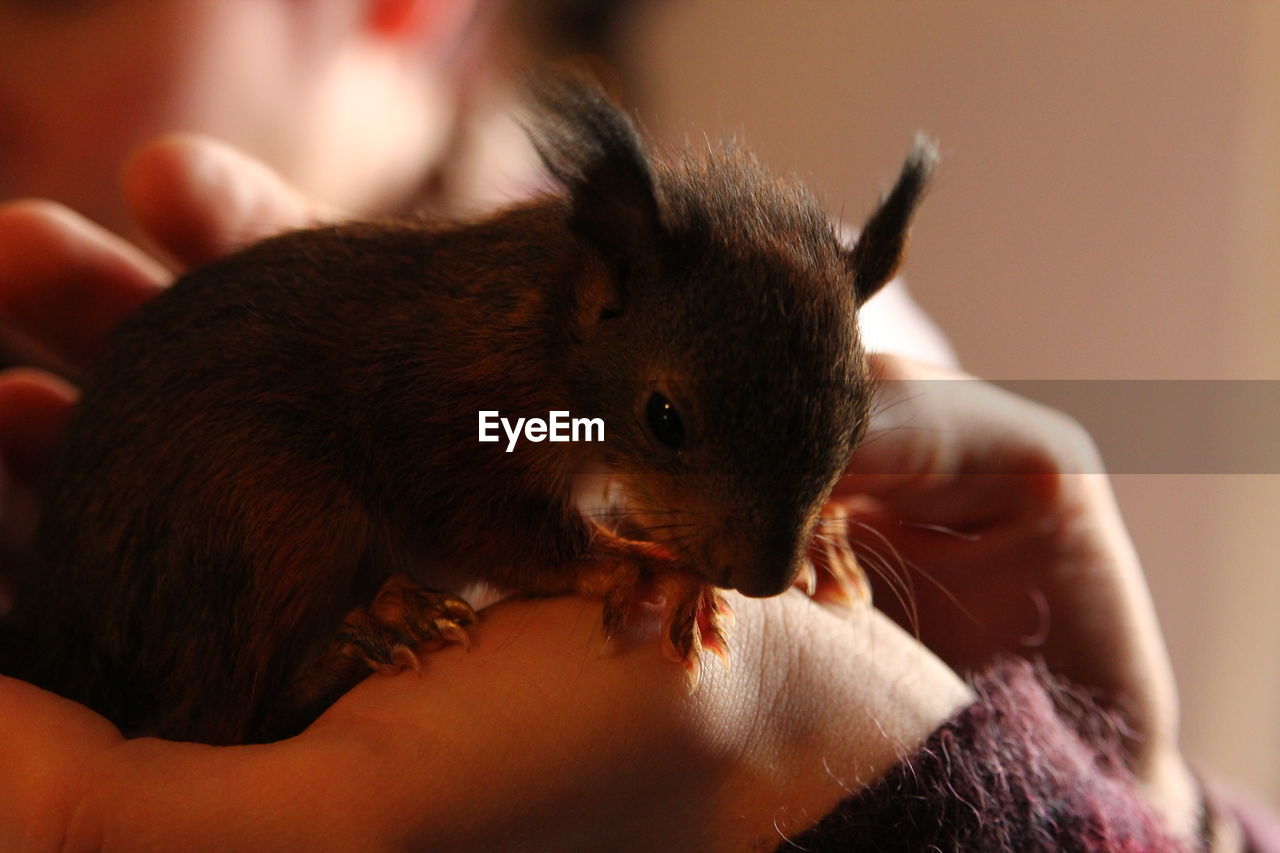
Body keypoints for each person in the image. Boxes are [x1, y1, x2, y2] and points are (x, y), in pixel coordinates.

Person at [0, 0, 1274, 849]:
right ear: (600, 295)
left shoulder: (689, 336)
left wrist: (1141, 804)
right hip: (253, 478)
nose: (760, 571)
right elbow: (489, 467)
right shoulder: (506, 386)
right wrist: (599, 555)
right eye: (672, 427)